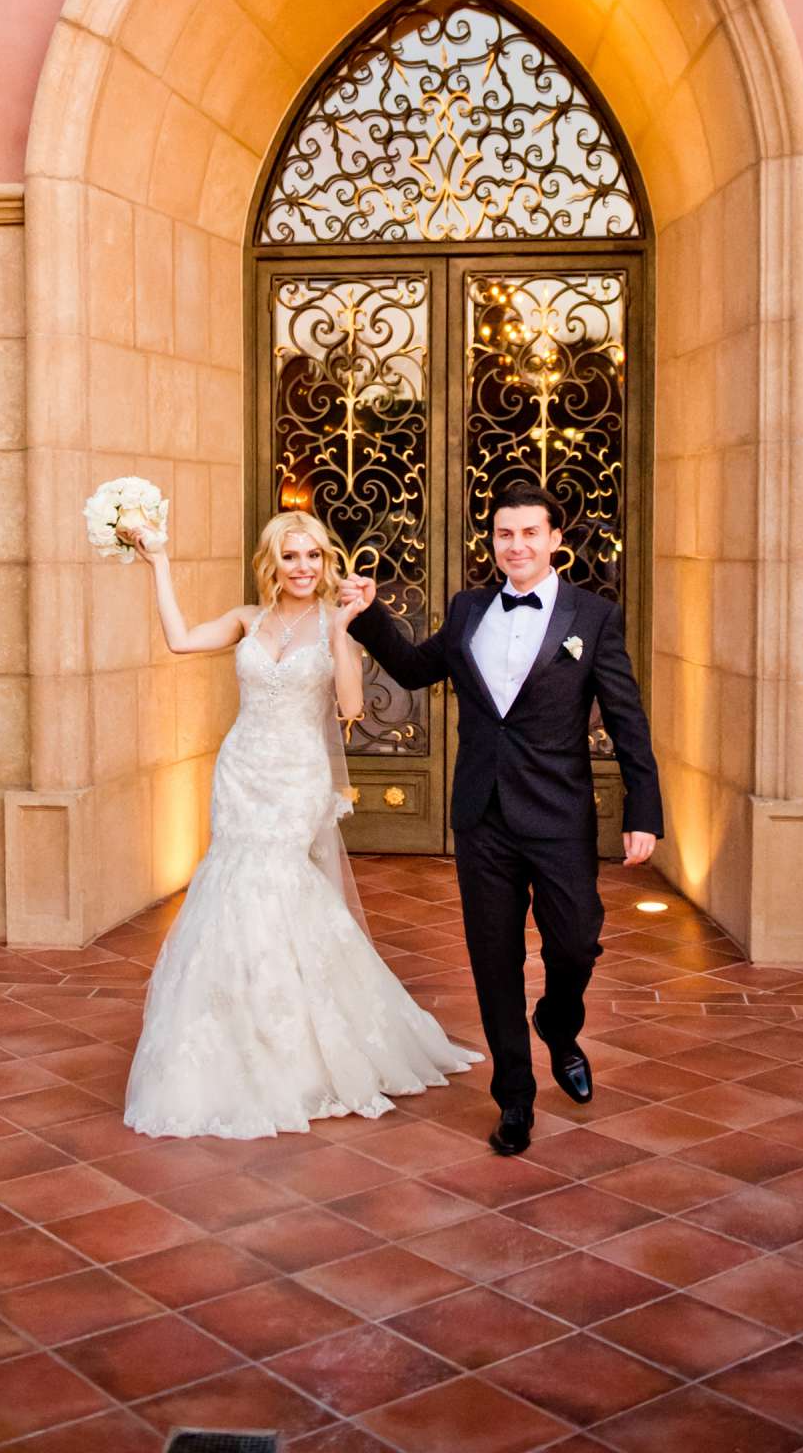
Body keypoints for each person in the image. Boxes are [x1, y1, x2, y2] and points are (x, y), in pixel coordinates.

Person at [121, 509, 479, 1139]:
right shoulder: (245, 620)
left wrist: (342, 631)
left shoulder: (336, 623)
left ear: (326, 560)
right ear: (272, 563)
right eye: (291, 557)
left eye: (313, 556)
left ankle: (298, 1042)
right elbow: (178, 639)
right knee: (231, 888)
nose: (304, 568)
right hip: (241, 770)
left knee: (279, 885)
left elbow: (348, 706)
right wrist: (158, 562)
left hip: (295, 777)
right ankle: (234, 1033)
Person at [339, 474, 661, 1157]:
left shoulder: (593, 617)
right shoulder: (466, 610)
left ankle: (559, 1021)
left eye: (529, 534)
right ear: (492, 541)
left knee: (576, 941)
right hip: (481, 813)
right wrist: (368, 614)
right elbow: (411, 668)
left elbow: (628, 721)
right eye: (504, 534)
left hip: (559, 812)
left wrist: (645, 810)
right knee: (494, 961)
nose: (516, 546)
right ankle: (515, 1099)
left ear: (555, 542)